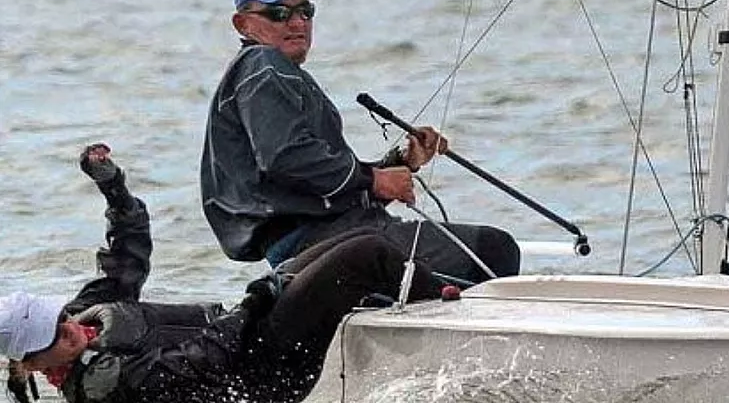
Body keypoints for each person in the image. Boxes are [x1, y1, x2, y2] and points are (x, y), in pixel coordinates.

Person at [1, 145, 439, 403]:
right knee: (367, 253)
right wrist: (258, 298)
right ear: (33, 365)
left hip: (248, 327)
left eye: (58, 318)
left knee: (352, 239)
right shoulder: (107, 384)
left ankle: (444, 300)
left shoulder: (85, 315)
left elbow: (128, 254)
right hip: (262, 372)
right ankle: (451, 314)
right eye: (54, 338)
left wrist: (112, 187)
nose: (69, 330)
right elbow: (208, 358)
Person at [200, 0, 520, 281]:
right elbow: (287, 158)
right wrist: (376, 180)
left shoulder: (268, 73)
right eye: (279, 14)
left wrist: (402, 162)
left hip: (327, 238)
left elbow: (315, 180)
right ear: (242, 24)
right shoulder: (263, 64)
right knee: (495, 250)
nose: (297, 23)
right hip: (322, 241)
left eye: (305, 12)